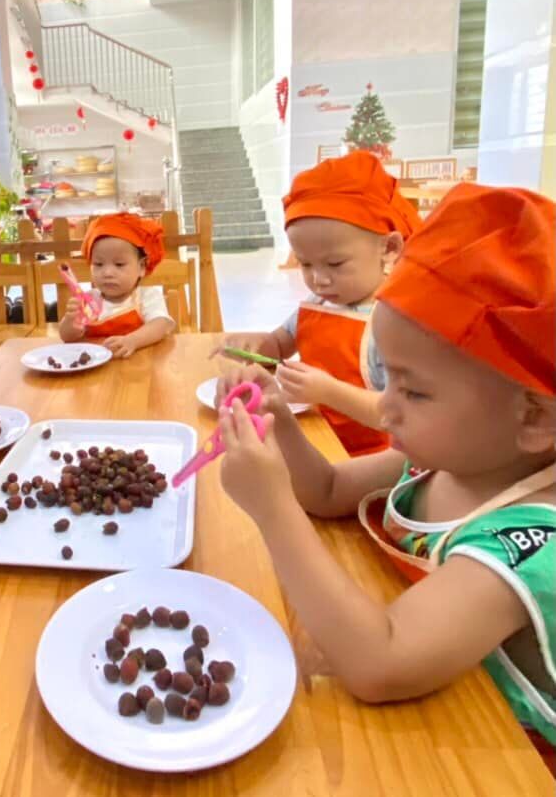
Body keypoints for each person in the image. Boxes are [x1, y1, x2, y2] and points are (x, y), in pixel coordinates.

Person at [217, 183, 556, 767]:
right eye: (386, 376)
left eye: (413, 391)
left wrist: (271, 509)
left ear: (534, 419)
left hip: (488, 762)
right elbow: (327, 492)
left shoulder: (527, 542)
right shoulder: (451, 457)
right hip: (418, 733)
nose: (384, 405)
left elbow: (379, 663)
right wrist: (281, 423)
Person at [217, 151, 421, 455]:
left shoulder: (394, 324)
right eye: (306, 264)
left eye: (335, 264)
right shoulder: (318, 303)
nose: (319, 280)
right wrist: (254, 346)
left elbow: (399, 414)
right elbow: (279, 345)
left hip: (363, 462)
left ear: (389, 248)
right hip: (312, 442)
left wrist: (329, 392)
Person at [59, 212, 174, 359]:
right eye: (98, 264)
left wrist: (133, 340)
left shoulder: (146, 296)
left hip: (139, 365)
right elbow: (67, 337)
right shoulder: (89, 299)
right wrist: (70, 321)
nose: (107, 273)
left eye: (119, 264)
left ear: (141, 267)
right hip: (96, 367)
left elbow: (161, 325)